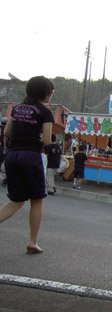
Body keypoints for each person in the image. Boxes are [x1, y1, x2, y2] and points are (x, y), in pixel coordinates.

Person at [0, 75, 55, 254]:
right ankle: (32, 242)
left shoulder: (17, 109)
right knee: (37, 199)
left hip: (13, 155)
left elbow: (7, 132)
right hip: (32, 156)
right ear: (45, 92)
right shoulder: (45, 112)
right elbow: (46, 140)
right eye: (51, 92)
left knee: (16, 201)